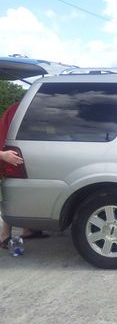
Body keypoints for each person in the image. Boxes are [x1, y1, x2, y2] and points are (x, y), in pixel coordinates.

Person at [0, 102, 48, 249]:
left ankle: (26, 230)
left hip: (7, 155)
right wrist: (2, 155)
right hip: (4, 156)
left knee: (13, 196)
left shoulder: (17, 109)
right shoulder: (18, 109)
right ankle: (4, 237)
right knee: (7, 199)